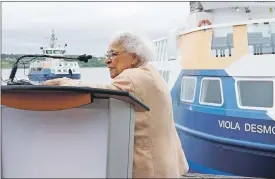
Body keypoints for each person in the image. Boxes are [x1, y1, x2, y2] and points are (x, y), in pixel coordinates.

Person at [43, 31, 189, 178]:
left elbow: (99, 91)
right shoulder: (149, 72)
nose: (107, 60)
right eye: (107, 55)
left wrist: (64, 82)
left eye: (113, 54)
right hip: (165, 163)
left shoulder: (134, 77)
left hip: (150, 168)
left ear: (133, 57)